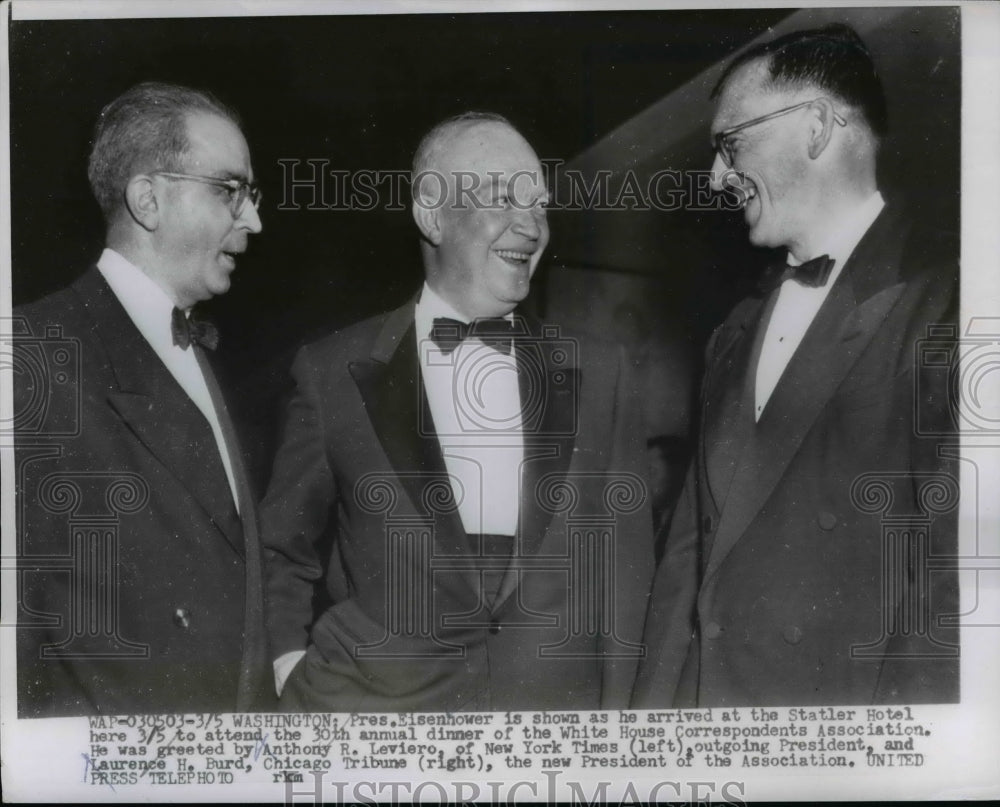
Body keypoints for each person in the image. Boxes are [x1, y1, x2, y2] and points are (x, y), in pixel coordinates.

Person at [262, 111, 653, 711]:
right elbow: (279, 550)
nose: (531, 225)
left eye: (540, 204)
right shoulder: (329, 372)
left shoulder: (605, 373)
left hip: (554, 747)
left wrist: (626, 733)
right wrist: (289, 670)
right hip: (383, 739)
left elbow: (628, 576)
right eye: (503, 196)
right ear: (432, 213)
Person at [633, 24, 959, 707]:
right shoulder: (732, 332)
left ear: (814, 126)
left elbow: (951, 594)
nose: (716, 176)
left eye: (731, 144)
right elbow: (685, 564)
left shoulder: (952, 302)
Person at [14, 82, 270, 716]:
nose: (254, 220)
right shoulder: (30, 355)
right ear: (148, 199)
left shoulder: (202, 356)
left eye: (251, 195)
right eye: (229, 190)